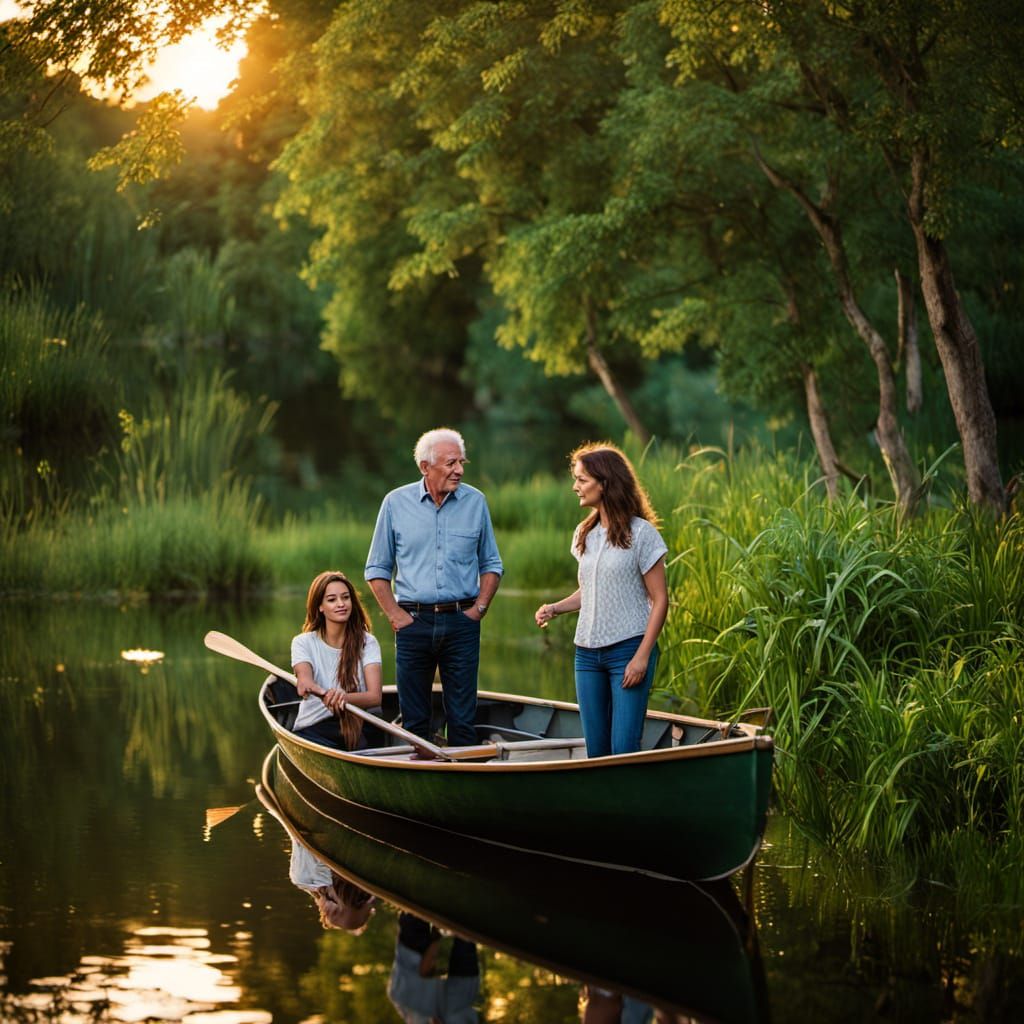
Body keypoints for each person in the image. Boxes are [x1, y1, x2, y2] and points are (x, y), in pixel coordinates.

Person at [365, 428, 503, 747]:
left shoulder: (475, 502)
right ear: (425, 467)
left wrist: (479, 608)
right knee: (414, 721)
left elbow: (492, 564)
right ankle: (421, 786)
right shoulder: (395, 504)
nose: (459, 470)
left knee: (463, 719)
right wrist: (396, 616)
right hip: (413, 622)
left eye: (461, 462)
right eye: (451, 462)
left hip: (462, 622)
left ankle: (464, 789)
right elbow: (376, 569)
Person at [534, 443, 668, 757]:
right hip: (586, 656)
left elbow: (660, 600)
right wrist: (555, 608)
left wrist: (641, 656)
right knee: (596, 751)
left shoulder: (642, 534)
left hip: (628, 651)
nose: (575, 486)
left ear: (605, 483)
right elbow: (592, 590)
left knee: (623, 749)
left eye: (582, 480)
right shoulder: (584, 533)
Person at [291, 570, 383, 750]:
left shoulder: (367, 642)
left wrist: (343, 697)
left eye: (345, 597)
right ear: (320, 606)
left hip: (358, 724)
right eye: (332, 600)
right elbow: (305, 681)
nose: (341, 604)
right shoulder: (303, 642)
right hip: (315, 726)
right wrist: (319, 691)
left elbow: (374, 697)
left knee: (373, 725)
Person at [387, 912, 480, 1023]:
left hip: (411, 962)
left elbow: (424, 971)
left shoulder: (406, 998)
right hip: (456, 998)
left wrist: (436, 939)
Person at [289, 840, 376, 933]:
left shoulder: (303, 879)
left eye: (327, 914)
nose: (325, 910)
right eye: (335, 912)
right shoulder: (306, 879)